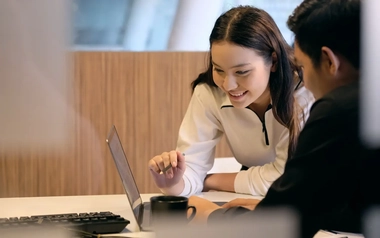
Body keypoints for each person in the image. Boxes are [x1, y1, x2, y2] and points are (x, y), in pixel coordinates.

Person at [188, 0, 380, 237]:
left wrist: (211, 217)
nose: (303, 81)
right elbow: (361, 211)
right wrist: (272, 209)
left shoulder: (339, 109)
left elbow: (279, 229)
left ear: (329, 61)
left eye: (302, 66)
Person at [147, 6, 314, 197]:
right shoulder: (209, 94)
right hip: (249, 200)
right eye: (219, 70)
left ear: (273, 61)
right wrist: (173, 183)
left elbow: (287, 178)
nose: (228, 85)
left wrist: (210, 180)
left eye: (242, 72)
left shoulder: (304, 93)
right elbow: (191, 170)